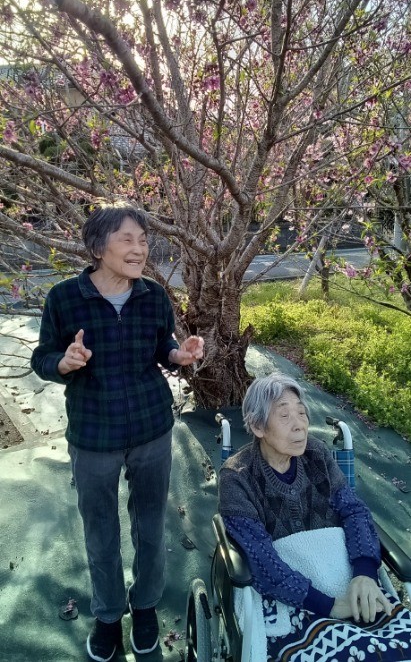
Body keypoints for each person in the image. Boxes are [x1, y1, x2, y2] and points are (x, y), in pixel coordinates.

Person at [31, 201, 204, 662]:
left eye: (143, 240)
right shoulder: (64, 298)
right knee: (101, 532)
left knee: (151, 526)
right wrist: (63, 363)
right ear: (97, 247)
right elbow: (42, 358)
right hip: (94, 435)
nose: (139, 248)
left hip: (151, 428)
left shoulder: (153, 296)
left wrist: (178, 355)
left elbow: (163, 345)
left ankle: (144, 606)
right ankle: (108, 614)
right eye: (127, 239)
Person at [218, 372, 411, 661]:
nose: (300, 425)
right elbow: (260, 559)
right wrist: (330, 606)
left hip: (346, 578)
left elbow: (354, 510)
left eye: (302, 413)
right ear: (258, 426)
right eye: (285, 416)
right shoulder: (237, 478)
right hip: (291, 598)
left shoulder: (317, 454)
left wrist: (365, 573)